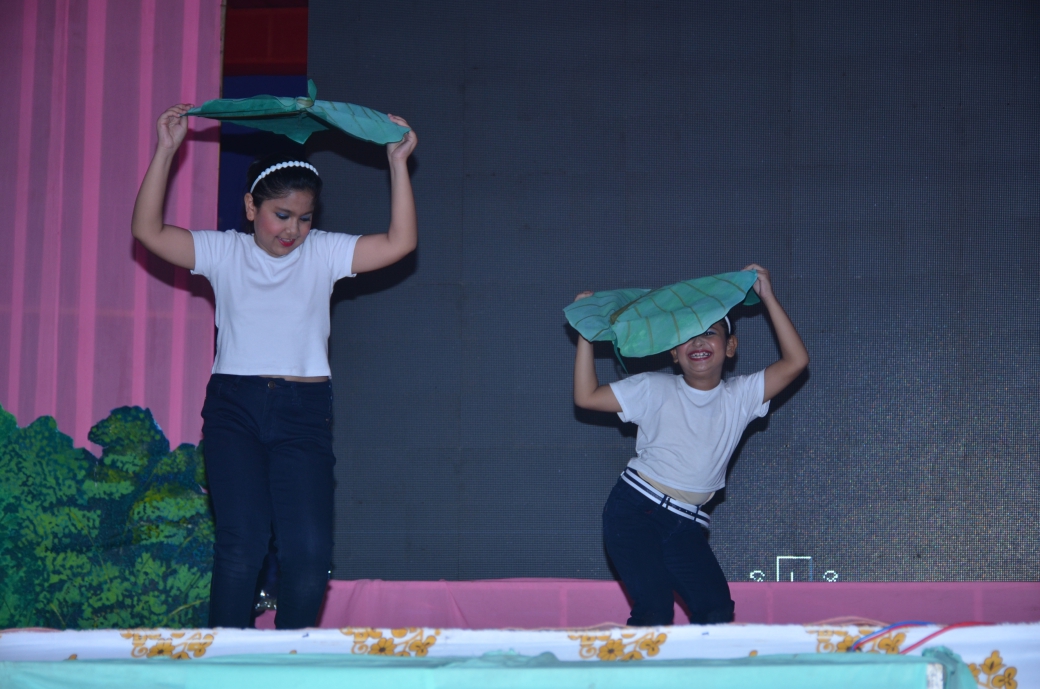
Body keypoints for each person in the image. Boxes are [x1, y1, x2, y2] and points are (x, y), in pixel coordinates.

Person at [131, 103, 418, 629]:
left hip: (302, 413)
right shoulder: (224, 252)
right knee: (242, 545)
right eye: (281, 215)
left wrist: (397, 163)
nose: (293, 229)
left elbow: (400, 243)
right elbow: (148, 231)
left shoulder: (323, 253)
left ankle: (292, 662)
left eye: (305, 218)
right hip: (234, 410)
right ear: (250, 206)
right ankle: (226, 663)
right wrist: (166, 150)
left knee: (308, 553)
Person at [572, 265, 809, 625]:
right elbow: (587, 396)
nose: (698, 343)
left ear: (730, 347)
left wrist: (767, 296)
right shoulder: (653, 388)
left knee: (716, 609)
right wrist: (586, 331)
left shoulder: (741, 396)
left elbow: (796, 361)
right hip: (635, 512)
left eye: (710, 333)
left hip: (685, 523)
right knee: (654, 609)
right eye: (688, 336)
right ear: (674, 352)